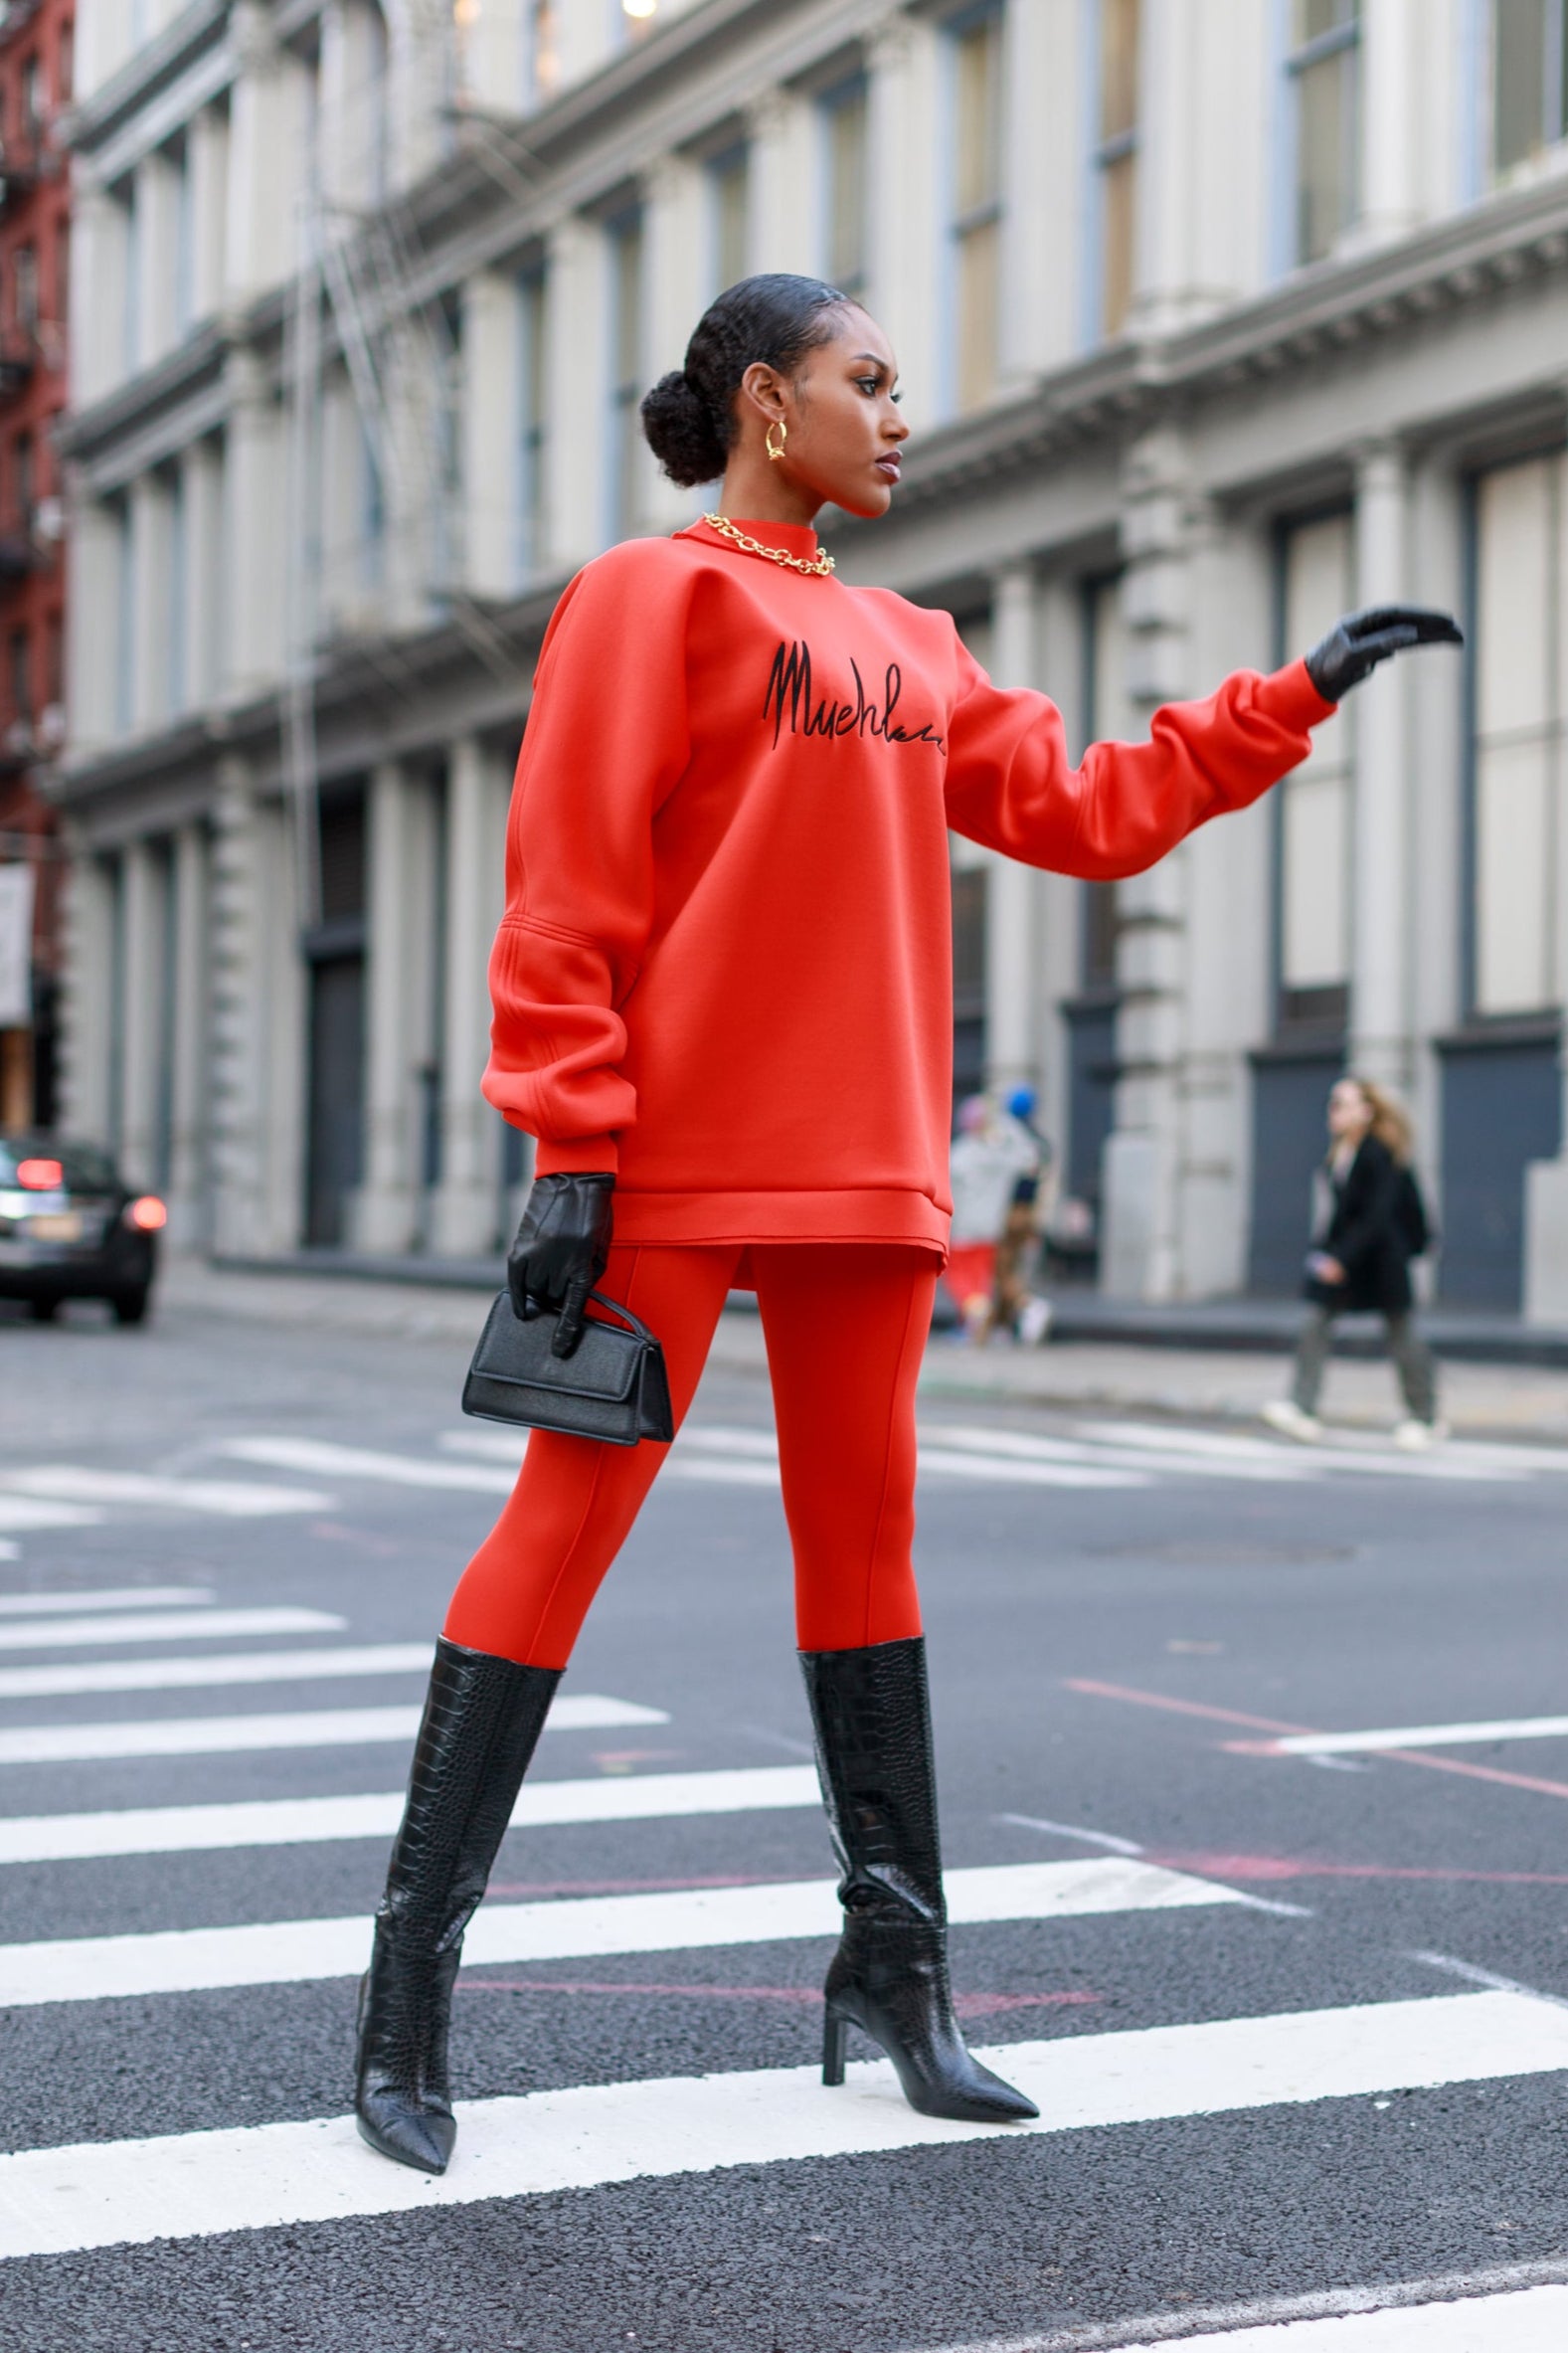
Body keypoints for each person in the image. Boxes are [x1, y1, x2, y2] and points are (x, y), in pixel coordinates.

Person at [352, 272, 1462, 2175]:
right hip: (672, 1166)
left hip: (869, 1170)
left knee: (864, 1560)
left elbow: (1093, 808)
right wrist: (568, 1140)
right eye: (870, 382)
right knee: (559, 1536)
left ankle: (897, 1973)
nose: (900, 414)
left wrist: (1285, 699)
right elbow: (566, 877)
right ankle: (403, 2013)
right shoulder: (648, 597)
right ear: (767, 403)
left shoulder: (913, 641)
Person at [1263, 1076, 1442, 1449]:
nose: (1333, 1111)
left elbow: (1378, 1216)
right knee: (1315, 1324)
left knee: (1402, 1336)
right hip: (1352, 1258)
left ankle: (1425, 1417)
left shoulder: (1380, 1152)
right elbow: (1341, 1215)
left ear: (1366, 1111)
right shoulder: (1342, 1152)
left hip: (1380, 1260)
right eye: (1332, 1103)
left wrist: (1340, 1258)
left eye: (1341, 1104)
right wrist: (1325, 1253)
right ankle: (1301, 1407)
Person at [946, 1092, 1038, 1336]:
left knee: (959, 1276)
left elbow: (948, 1190)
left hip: (963, 1227)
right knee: (981, 1276)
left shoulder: (960, 1154)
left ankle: (977, 1313)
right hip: (990, 1227)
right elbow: (1028, 1157)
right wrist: (1007, 1124)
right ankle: (976, 1319)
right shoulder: (1001, 1156)